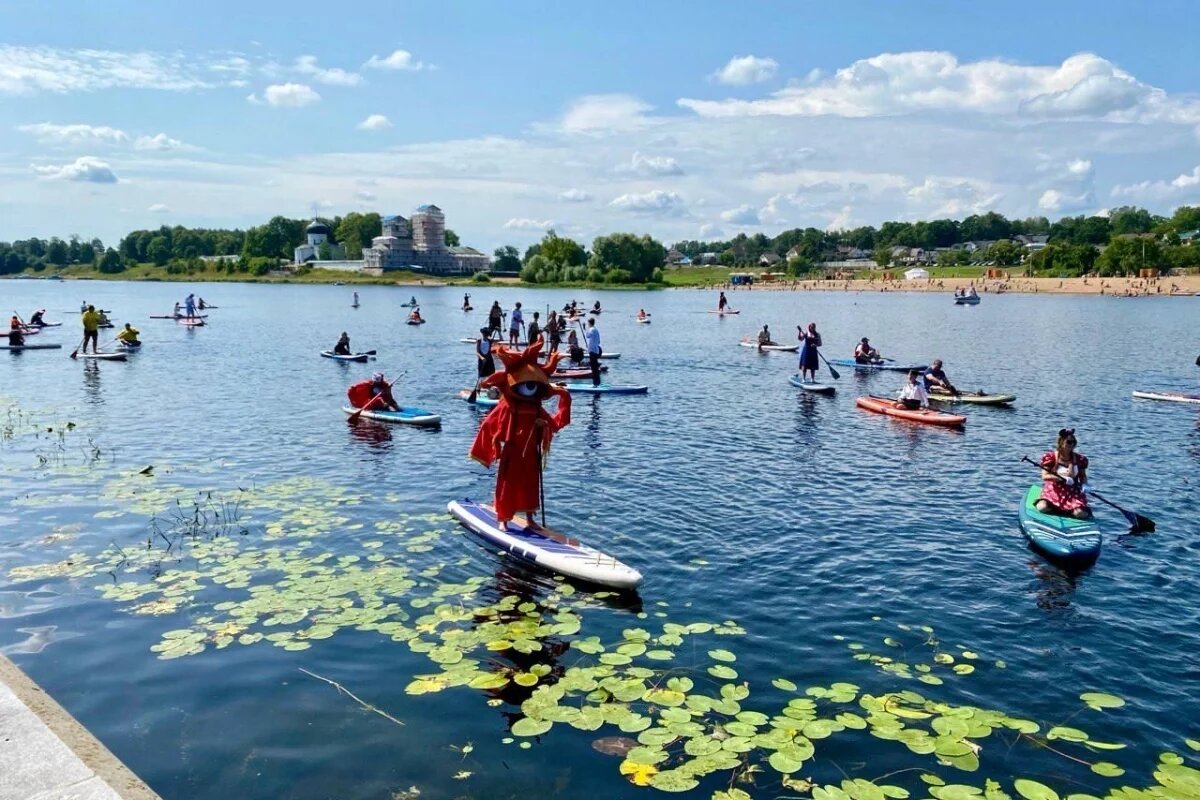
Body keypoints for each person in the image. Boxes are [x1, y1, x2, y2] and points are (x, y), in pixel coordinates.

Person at [469, 339, 572, 532]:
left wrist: (548, 419)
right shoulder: (509, 405)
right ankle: (503, 518)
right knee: (507, 485)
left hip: (531, 452)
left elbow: (554, 424)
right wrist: (493, 445)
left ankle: (530, 518)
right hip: (512, 451)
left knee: (530, 485)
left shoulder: (535, 406)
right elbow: (490, 424)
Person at [1037, 429, 1092, 520]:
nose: (1072, 445)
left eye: (1073, 442)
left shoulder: (1080, 459)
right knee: (1042, 508)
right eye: (1069, 442)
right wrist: (1061, 478)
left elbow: (1082, 476)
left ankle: (1070, 509)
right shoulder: (1051, 457)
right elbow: (1045, 476)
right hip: (1054, 489)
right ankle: (1057, 509)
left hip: (1072, 491)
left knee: (1080, 514)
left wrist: (1084, 484)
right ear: (1061, 442)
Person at [584, 317, 602, 386]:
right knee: (595, 367)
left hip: (592, 351)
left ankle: (595, 383)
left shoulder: (591, 329)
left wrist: (585, 328)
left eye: (588, 323)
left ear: (589, 323)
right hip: (596, 350)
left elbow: (587, 336)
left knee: (593, 367)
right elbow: (598, 341)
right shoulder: (596, 330)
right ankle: (598, 382)